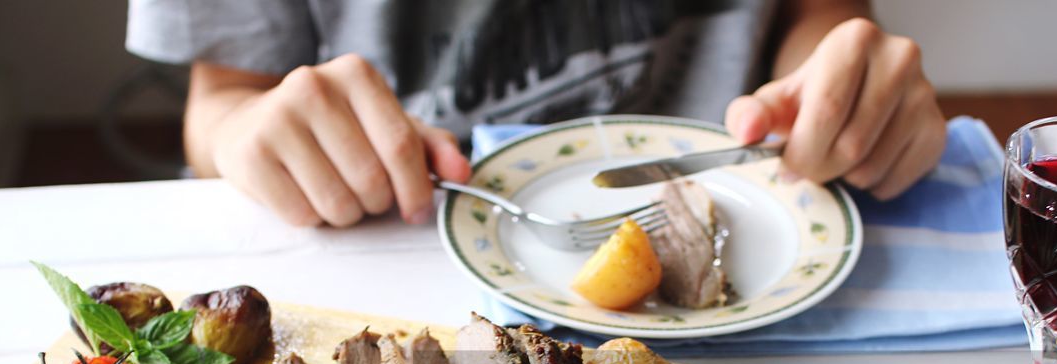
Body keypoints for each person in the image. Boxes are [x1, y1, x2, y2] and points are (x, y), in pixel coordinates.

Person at [127, 0, 947, 228]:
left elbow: (818, 11)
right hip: (397, 231)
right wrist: (245, 130)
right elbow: (222, 102)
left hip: (757, 218)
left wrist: (836, 84)